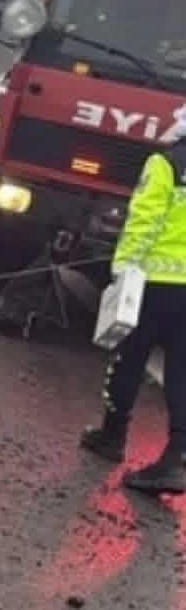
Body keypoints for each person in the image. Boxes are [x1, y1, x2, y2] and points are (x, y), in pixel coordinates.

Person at [79, 104, 186, 494]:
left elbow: (145, 220)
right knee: (182, 370)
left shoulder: (168, 162)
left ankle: (112, 436)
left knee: (129, 356)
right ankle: (176, 459)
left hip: (155, 282)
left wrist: (123, 268)